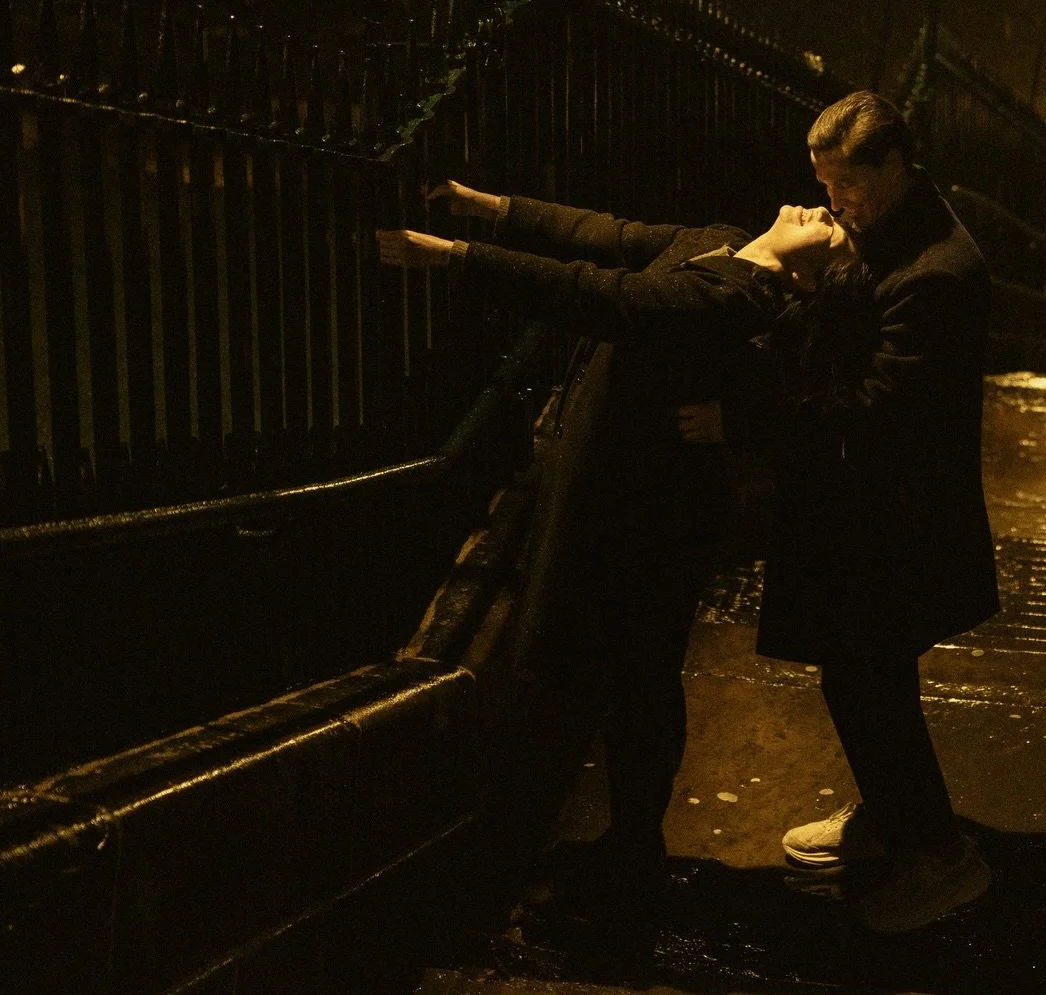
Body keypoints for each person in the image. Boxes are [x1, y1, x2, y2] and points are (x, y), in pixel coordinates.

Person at [377, 187, 839, 938]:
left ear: (810, 276)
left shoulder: (725, 300)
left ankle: (539, 872)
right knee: (631, 683)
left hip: (635, 525)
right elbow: (609, 232)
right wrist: (486, 205)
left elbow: (595, 293)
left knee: (584, 683)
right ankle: (626, 855)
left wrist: (449, 254)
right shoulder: (721, 235)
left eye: (833, 224)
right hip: (627, 508)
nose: (816, 208)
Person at [762, 90, 998, 933]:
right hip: (876, 517)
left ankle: (937, 856)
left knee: (869, 681)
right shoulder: (891, 229)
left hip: (900, 526)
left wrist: (753, 414)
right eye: (824, 183)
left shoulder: (934, 274)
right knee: (865, 677)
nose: (834, 204)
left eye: (848, 185)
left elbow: (871, 410)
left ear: (895, 167)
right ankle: (896, 816)